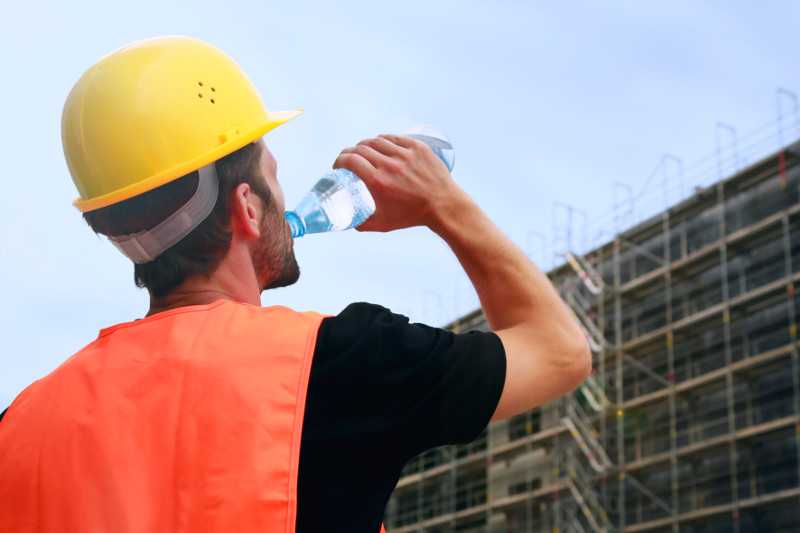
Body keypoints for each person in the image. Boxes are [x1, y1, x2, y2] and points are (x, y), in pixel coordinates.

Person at [0, 36, 591, 532]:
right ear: (248, 209)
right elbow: (560, 351)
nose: (286, 198)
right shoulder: (339, 362)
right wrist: (444, 205)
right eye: (273, 177)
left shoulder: (21, 424)